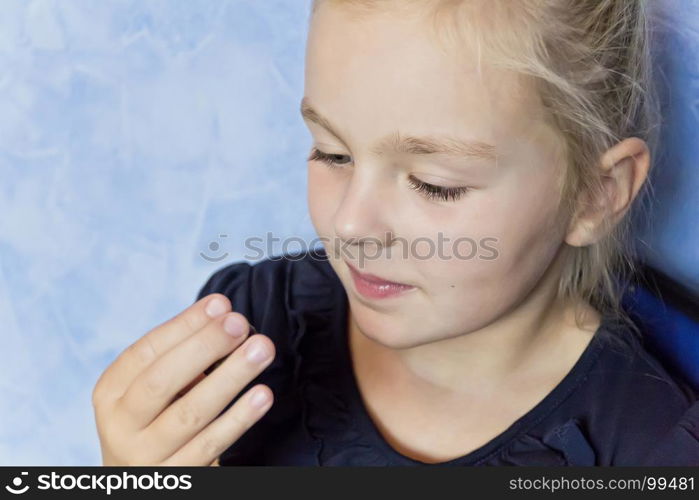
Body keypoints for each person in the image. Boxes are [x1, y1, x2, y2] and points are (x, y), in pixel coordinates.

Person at [92, 0, 699, 465]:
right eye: (331, 154)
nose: (351, 225)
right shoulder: (249, 330)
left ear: (596, 194)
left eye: (435, 185)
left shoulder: (648, 449)